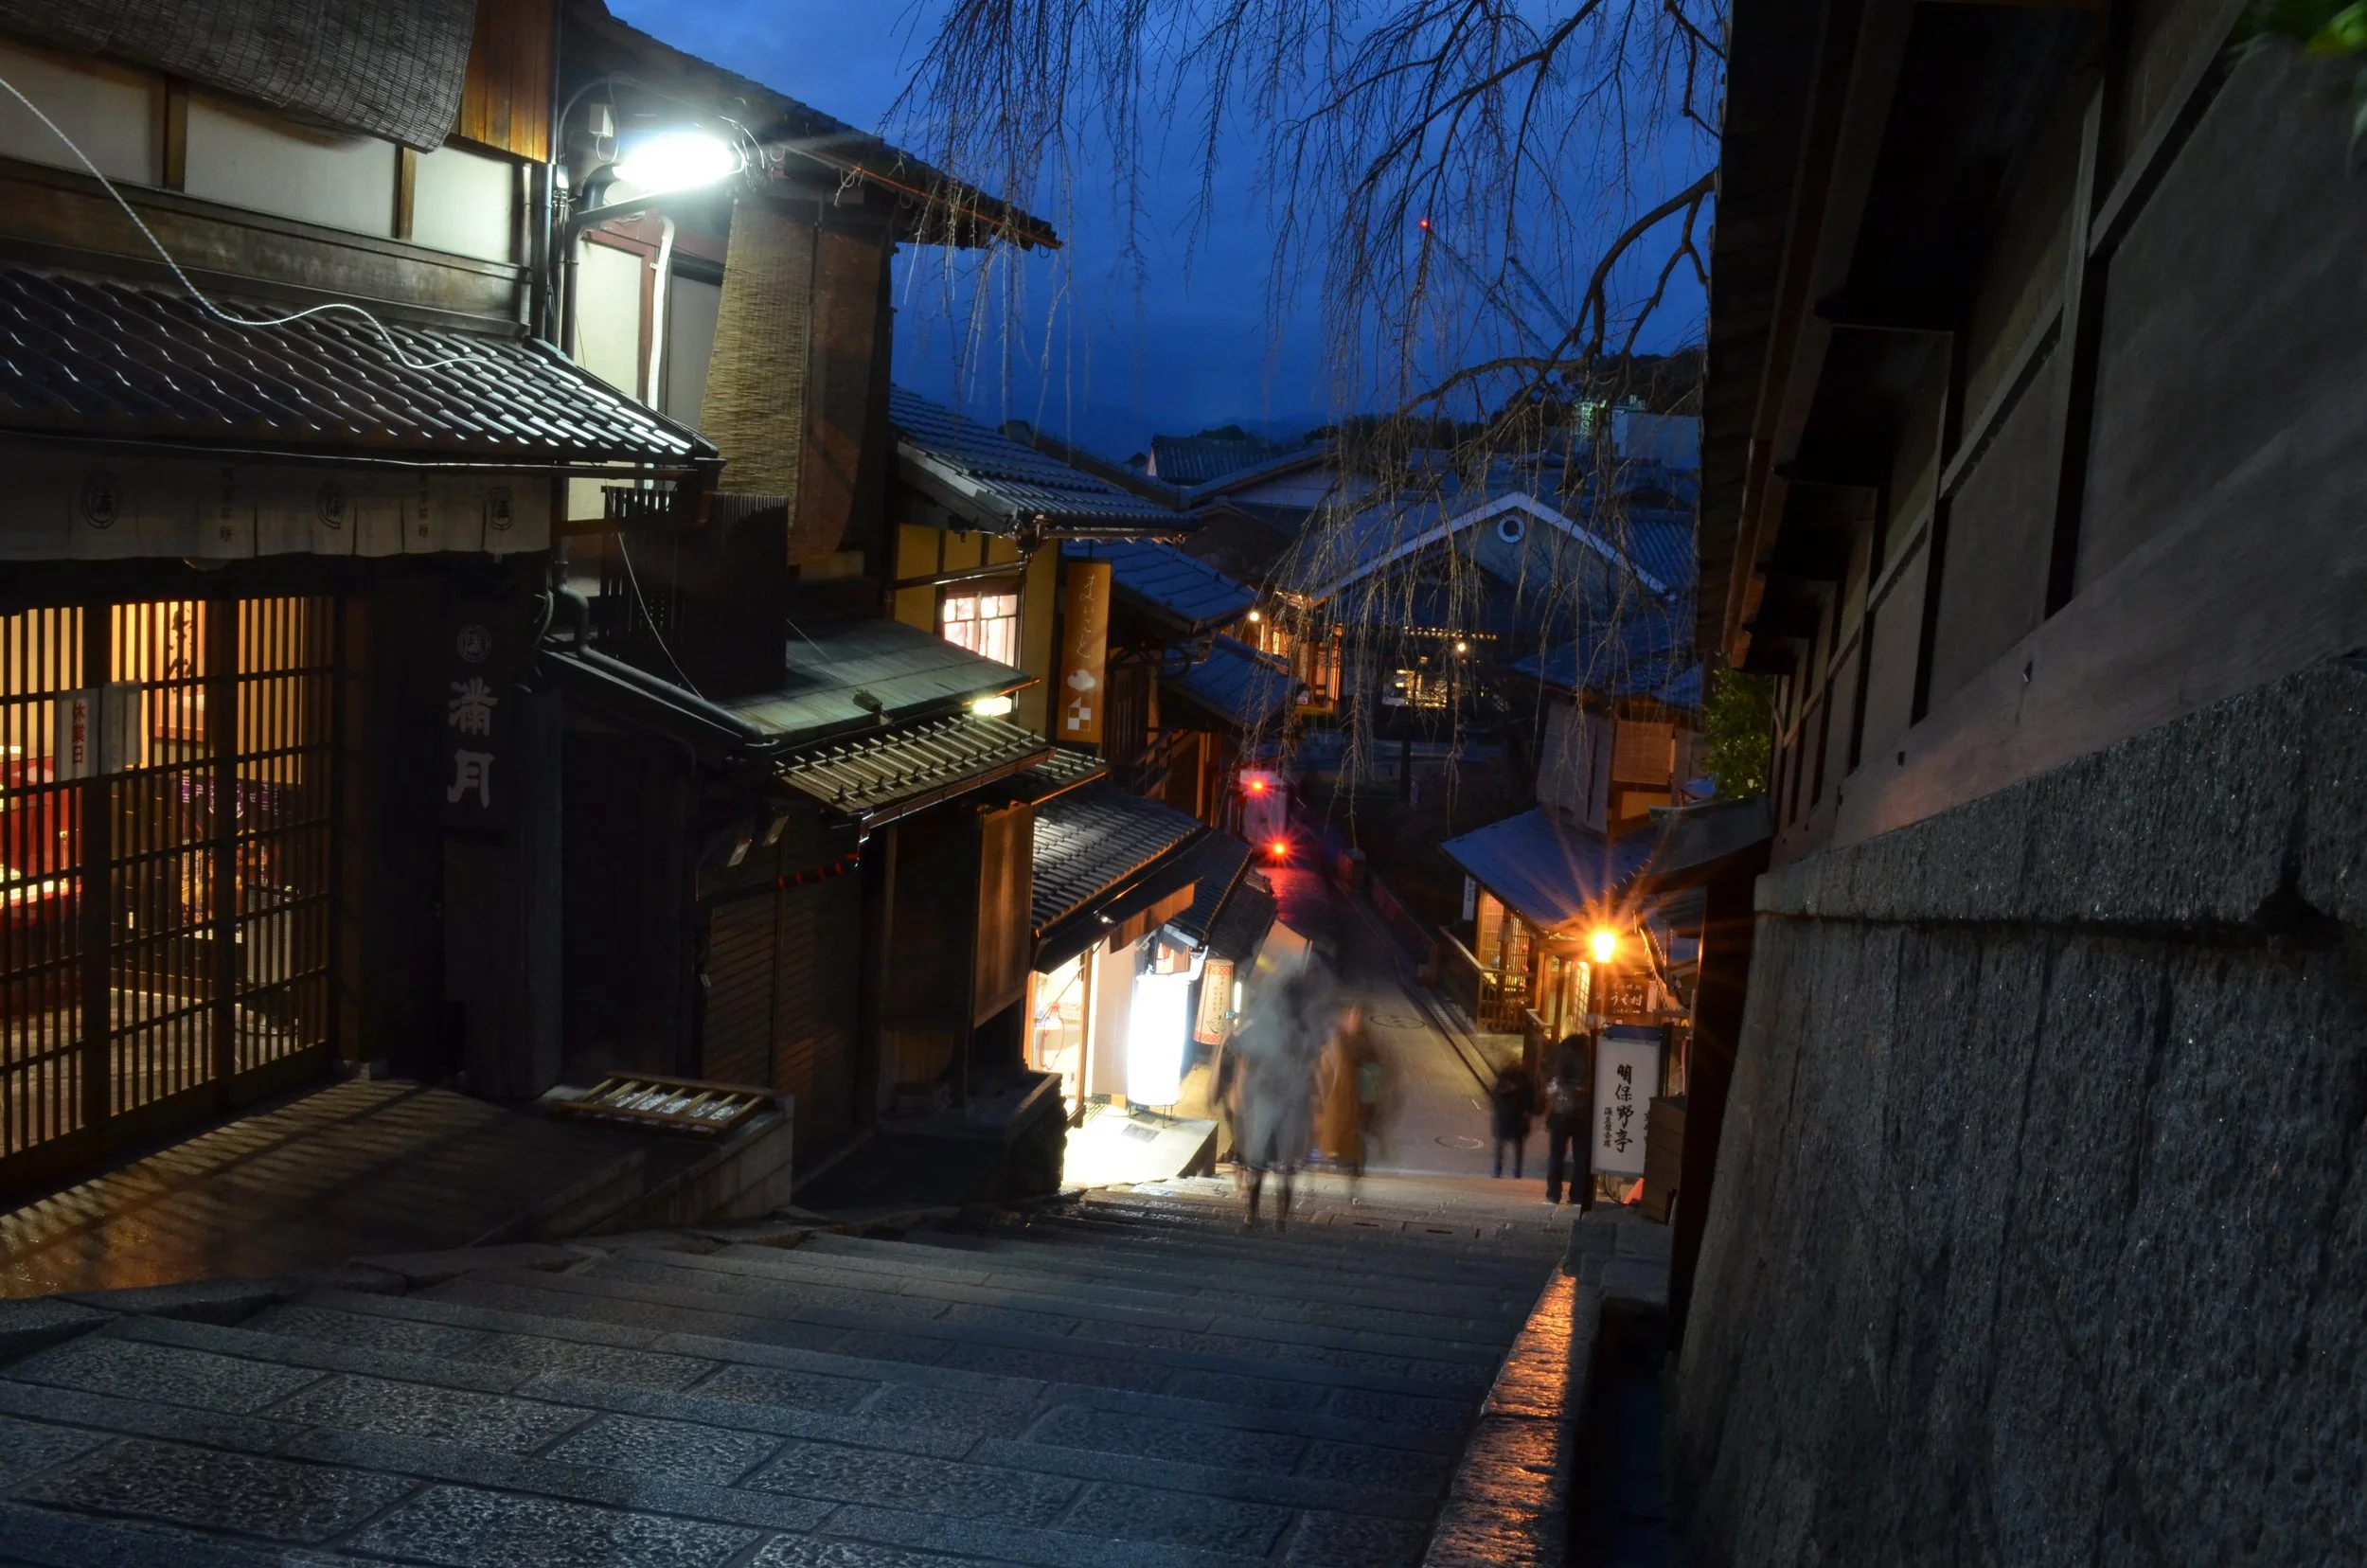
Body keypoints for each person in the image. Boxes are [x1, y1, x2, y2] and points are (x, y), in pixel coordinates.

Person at [1318, 1005, 1383, 1189]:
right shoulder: (1339, 1037)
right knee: (1341, 1129)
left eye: (1357, 1017)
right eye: (1352, 1016)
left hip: (1359, 1097)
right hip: (1342, 1096)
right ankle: (1344, 1160)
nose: (1354, 1020)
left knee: (1355, 1132)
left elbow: (1374, 1068)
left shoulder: (1364, 1042)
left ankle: (1353, 1166)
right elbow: (1328, 1063)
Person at [1542, 1031, 1594, 1209]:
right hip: (1582, 1114)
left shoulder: (1559, 1057)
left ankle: (1553, 1194)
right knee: (1581, 1157)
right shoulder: (1590, 1059)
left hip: (1560, 1113)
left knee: (1556, 1155)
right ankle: (1578, 1195)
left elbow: (1548, 1081)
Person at [1489, 1059, 1533, 1179]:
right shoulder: (1526, 1083)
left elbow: (1495, 1096)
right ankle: (1517, 1171)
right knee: (1518, 1146)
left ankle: (1497, 1170)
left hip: (1503, 1118)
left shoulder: (1502, 1082)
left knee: (1500, 1145)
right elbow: (1530, 1102)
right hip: (1518, 1120)